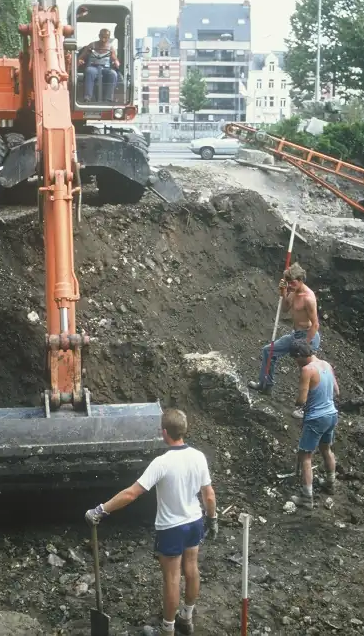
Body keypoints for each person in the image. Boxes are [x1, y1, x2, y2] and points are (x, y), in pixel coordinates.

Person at [85, 409, 218, 636]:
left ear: (164, 433)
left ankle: (168, 629)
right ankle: (187, 617)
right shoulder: (198, 456)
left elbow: (131, 494)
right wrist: (212, 519)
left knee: (172, 579)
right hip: (194, 521)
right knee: (192, 569)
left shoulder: (161, 463)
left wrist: (101, 510)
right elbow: (209, 495)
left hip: (171, 528)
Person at [248, 263, 321, 394]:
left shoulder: (308, 298)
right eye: (288, 282)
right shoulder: (293, 292)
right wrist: (283, 291)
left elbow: (315, 324)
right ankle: (265, 385)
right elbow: (286, 309)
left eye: (292, 283)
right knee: (268, 351)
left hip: (308, 336)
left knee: (306, 370)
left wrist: (306, 344)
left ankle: (306, 406)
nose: (290, 285)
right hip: (295, 334)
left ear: (300, 280)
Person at [289, 339, 339, 503]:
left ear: (299, 356)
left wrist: (297, 405)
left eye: (295, 359)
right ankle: (331, 484)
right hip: (331, 414)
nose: (296, 363)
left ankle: (306, 497)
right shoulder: (326, 364)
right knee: (326, 449)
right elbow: (336, 391)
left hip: (316, 418)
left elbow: (302, 400)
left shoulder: (307, 370)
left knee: (305, 456)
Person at [79, 28, 120, 103]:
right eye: (102, 37)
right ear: (99, 36)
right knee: (89, 71)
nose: (103, 39)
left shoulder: (110, 48)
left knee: (113, 74)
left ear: (108, 37)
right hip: (93, 66)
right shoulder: (92, 45)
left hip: (105, 68)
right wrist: (80, 60)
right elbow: (82, 57)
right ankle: (87, 97)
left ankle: (108, 99)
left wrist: (116, 62)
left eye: (106, 37)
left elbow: (115, 59)